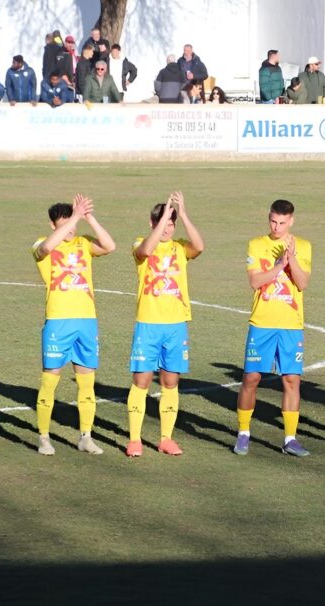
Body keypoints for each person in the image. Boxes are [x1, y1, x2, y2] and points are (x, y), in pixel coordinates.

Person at [33, 195, 116, 455]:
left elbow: (110, 245)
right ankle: (44, 437)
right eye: (63, 225)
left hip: (86, 321)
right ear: (52, 225)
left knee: (87, 383)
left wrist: (88, 216)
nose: (70, 230)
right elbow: (45, 249)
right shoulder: (42, 244)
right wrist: (76, 217)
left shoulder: (84, 243)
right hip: (58, 322)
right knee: (50, 381)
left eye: (72, 224)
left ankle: (86, 436)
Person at [126, 192, 204, 457]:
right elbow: (145, 250)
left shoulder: (181, 247)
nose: (168, 229)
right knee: (142, 380)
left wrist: (181, 214)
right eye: (163, 224)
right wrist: (162, 221)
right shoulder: (141, 243)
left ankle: (166, 438)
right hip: (148, 323)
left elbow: (200, 246)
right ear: (152, 223)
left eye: (171, 225)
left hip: (176, 325)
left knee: (171, 382)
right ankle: (135, 440)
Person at [233, 200, 313, 457]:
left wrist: (292, 260)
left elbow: (301, 284)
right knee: (251, 378)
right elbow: (255, 281)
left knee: (291, 380)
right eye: (273, 221)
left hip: (291, 325)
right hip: (262, 323)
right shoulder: (256, 245)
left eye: (282, 222)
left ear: (291, 221)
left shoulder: (304, 246)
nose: (276, 227)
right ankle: (243, 433)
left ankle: (290, 439)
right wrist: (279, 265)